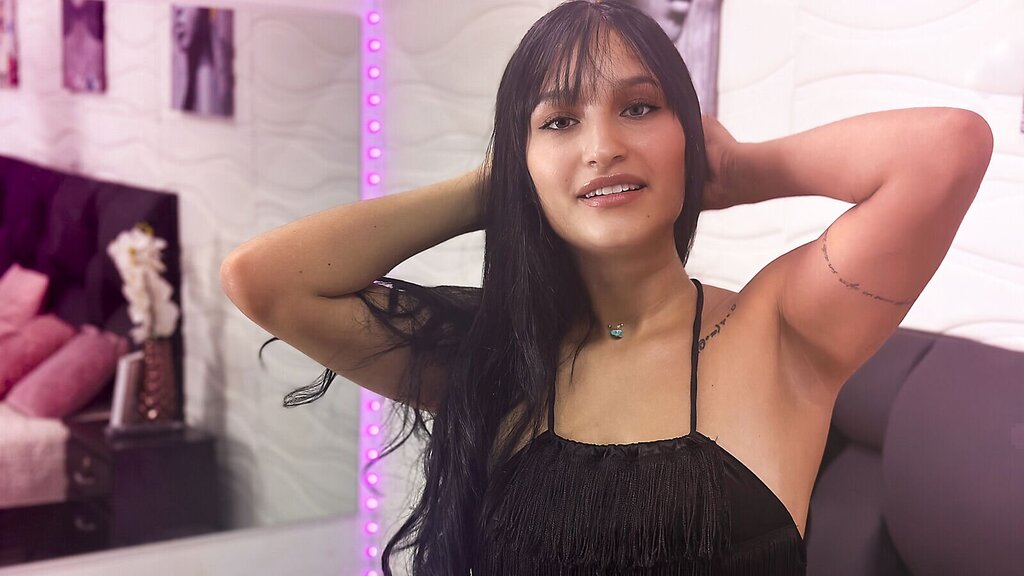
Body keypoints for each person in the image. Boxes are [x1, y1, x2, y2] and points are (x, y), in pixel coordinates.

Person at [220, 1, 992, 574]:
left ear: (686, 133)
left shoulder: (783, 331)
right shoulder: (492, 358)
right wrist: (496, 189)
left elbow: (945, 150)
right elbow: (265, 280)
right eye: (559, 121)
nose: (604, 146)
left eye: (640, 108)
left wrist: (740, 168)